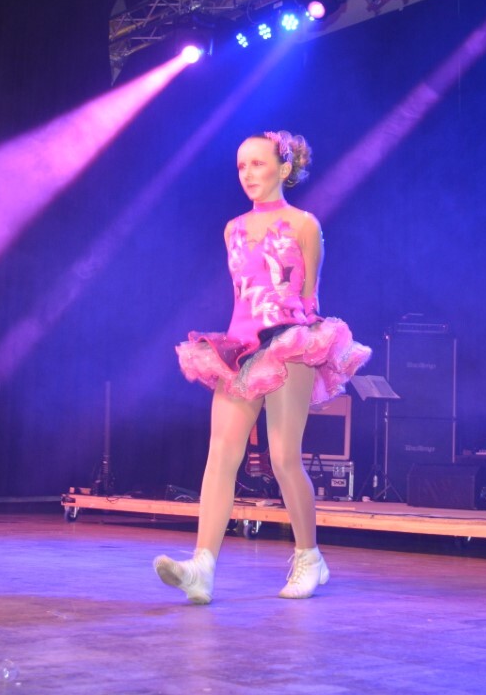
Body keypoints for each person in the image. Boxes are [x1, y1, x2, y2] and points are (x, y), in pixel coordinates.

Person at [154, 131, 371, 604]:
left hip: (289, 343)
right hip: (240, 348)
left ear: (284, 168)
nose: (247, 174)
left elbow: (309, 297)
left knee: (283, 458)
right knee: (220, 455)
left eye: (257, 163)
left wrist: (301, 344)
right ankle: (202, 568)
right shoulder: (232, 229)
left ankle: (309, 556)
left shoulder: (304, 224)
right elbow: (241, 298)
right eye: (241, 166)